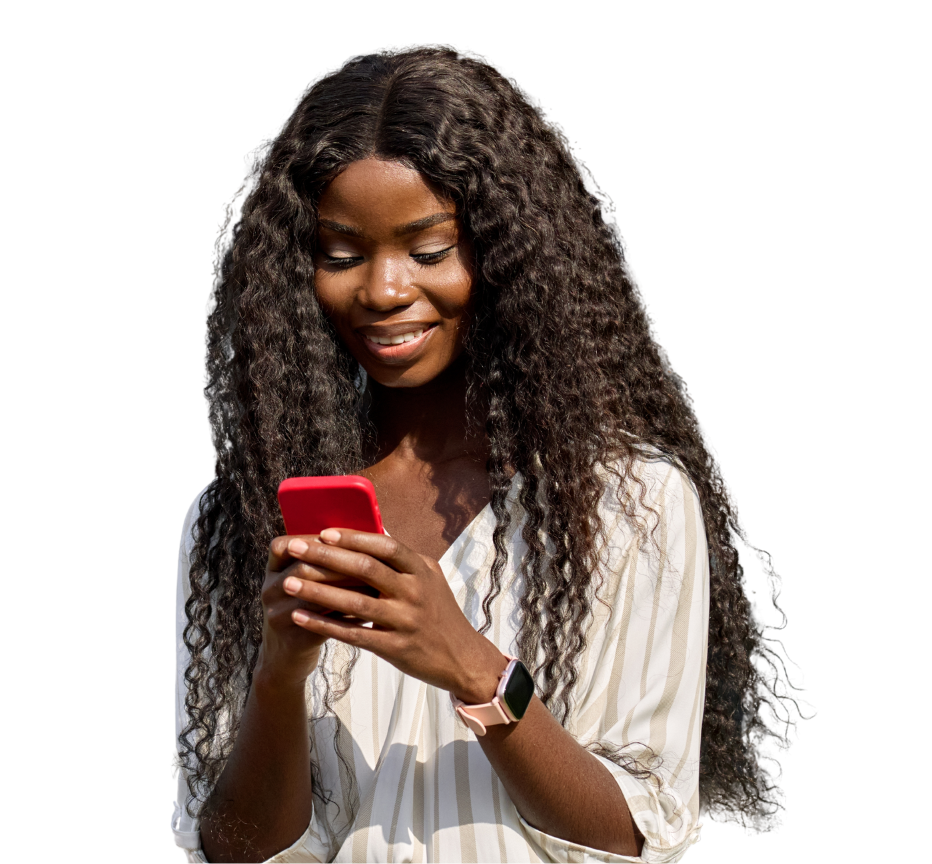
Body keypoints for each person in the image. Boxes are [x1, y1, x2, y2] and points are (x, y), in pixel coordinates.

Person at [173, 44, 812, 863]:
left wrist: (474, 667)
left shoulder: (630, 502)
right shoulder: (238, 519)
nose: (383, 289)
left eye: (430, 250)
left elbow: (635, 831)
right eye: (341, 255)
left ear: (511, 252)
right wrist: (278, 677)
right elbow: (230, 848)